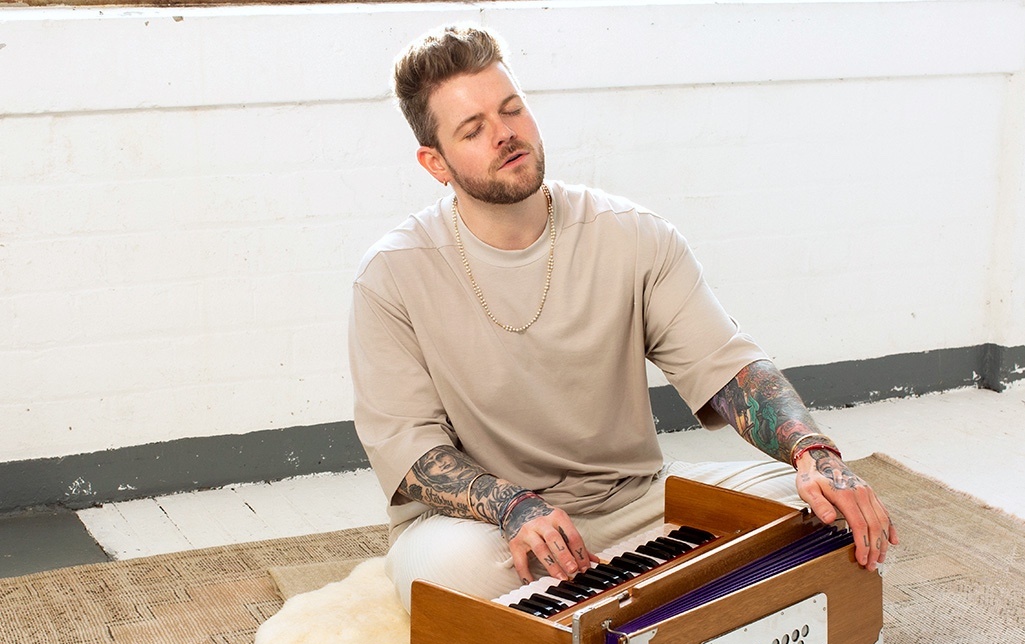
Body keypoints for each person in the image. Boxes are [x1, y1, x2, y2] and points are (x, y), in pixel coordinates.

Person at [349, 24, 898, 611]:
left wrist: (815, 454)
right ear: (435, 162)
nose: (505, 133)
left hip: (636, 502)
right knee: (444, 578)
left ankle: (613, 597)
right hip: (488, 529)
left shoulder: (632, 234)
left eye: (512, 109)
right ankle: (655, 592)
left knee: (817, 508)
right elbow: (412, 450)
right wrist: (514, 506)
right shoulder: (391, 274)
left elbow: (729, 369)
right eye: (473, 128)